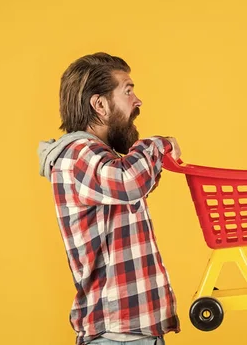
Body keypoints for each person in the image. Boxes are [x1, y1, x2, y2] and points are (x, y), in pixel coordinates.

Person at [38, 52, 181, 345]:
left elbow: (136, 182)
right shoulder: (78, 154)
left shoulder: (99, 159)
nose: (137, 101)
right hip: (117, 337)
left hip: (129, 334)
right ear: (100, 104)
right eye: (127, 91)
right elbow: (131, 182)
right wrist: (159, 144)